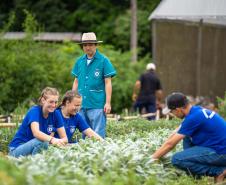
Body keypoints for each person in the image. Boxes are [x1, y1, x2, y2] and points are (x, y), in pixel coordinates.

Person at [151, 92, 226, 183]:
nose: (172, 114)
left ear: (178, 110)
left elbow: (170, 145)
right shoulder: (196, 111)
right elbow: (174, 134)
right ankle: (196, 177)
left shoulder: (193, 118)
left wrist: (151, 159)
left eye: (171, 111)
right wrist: (159, 150)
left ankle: (219, 171)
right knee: (186, 137)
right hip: (219, 148)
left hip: (221, 153)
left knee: (177, 159)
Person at [71, 32, 116, 138]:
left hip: (97, 104)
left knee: (98, 134)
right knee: (83, 134)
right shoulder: (79, 61)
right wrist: (72, 99)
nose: (87, 47)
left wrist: (108, 103)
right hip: (81, 104)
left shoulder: (104, 60)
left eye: (90, 44)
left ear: (96, 45)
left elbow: (108, 82)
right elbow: (76, 81)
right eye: (85, 45)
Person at [8, 87, 68, 157]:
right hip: (17, 149)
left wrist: (58, 142)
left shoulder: (56, 114)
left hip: (36, 147)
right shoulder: (34, 111)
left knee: (48, 145)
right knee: (41, 141)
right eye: (51, 102)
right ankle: (34, 164)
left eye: (56, 102)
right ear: (43, 100)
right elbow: (36, 133)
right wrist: (53, 140)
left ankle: (35, 164)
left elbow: (65, 139)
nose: (54, 105)